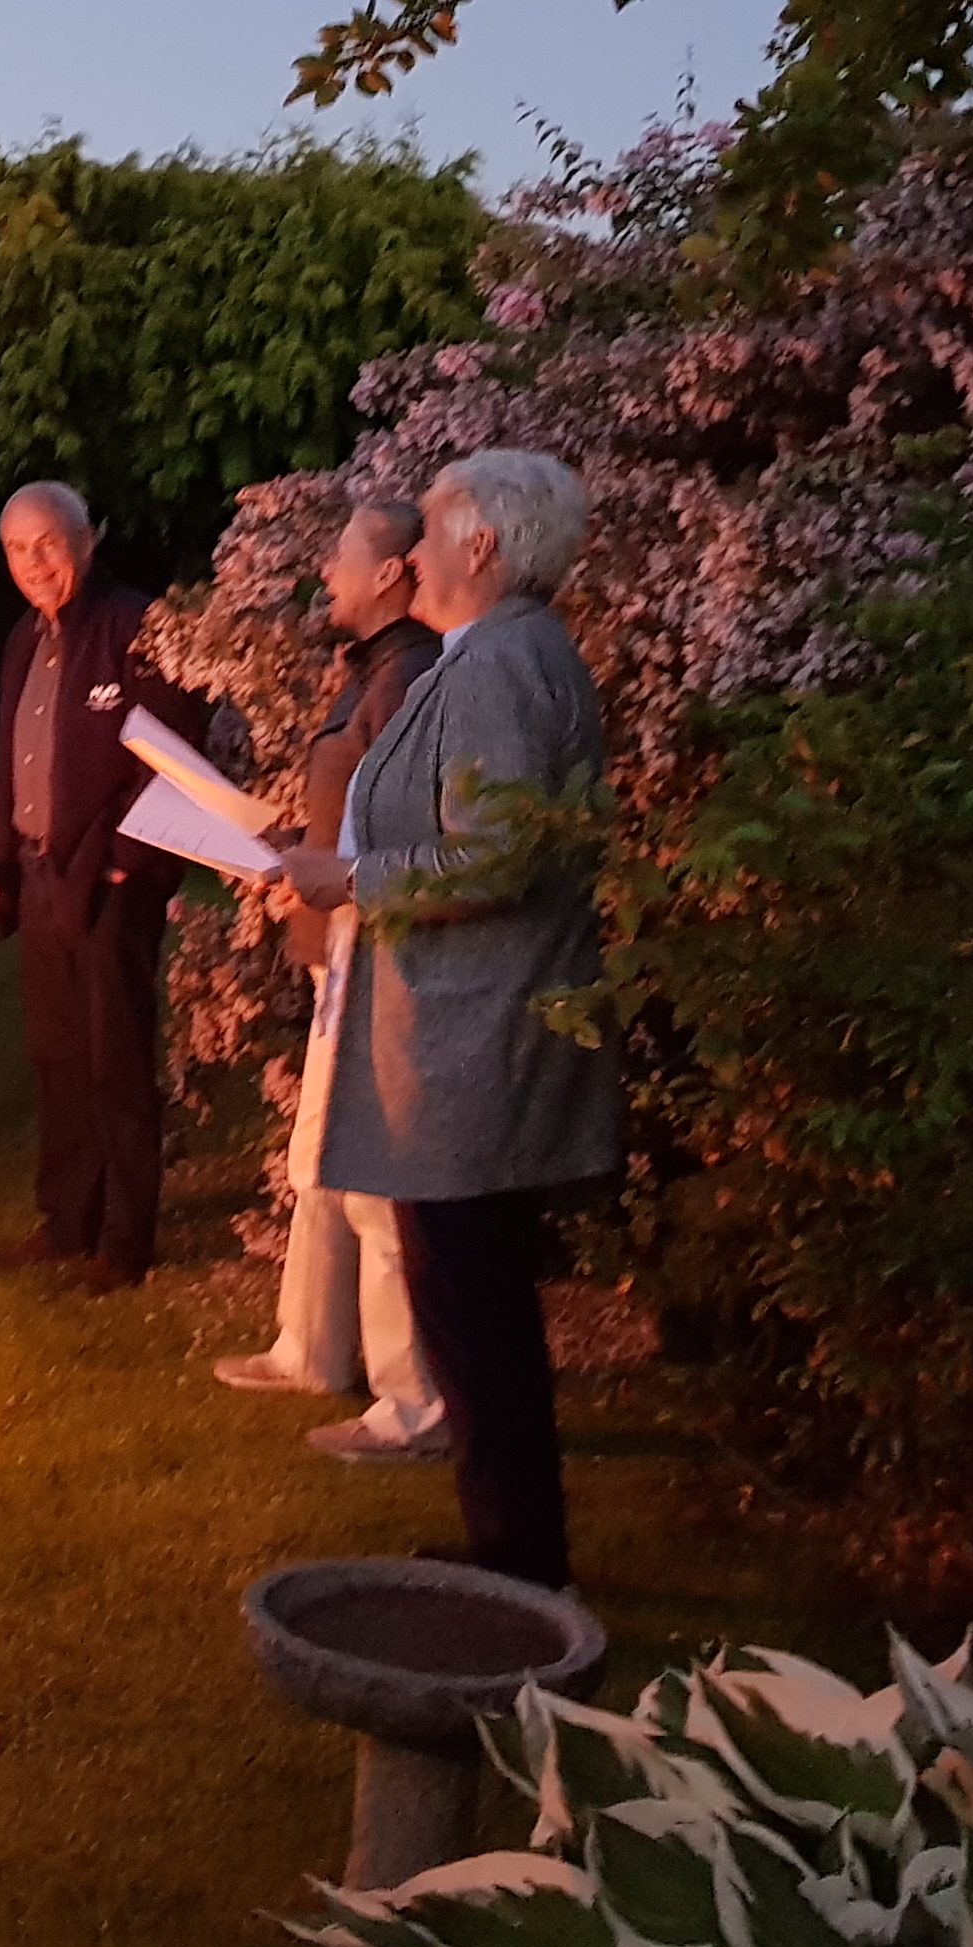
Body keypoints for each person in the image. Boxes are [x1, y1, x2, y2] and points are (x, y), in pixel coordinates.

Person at [279, 450, 617, 1586]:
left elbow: (496, 856)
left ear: (482, 547)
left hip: (471, 1036)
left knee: (474, 1307)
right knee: (477, 1307)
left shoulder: (500, 665)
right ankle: (510, 1548)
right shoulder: (500, 653)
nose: (411, 556)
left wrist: (349, 880)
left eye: (427, 534)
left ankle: (518, 1567)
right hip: (469, 1027)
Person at [0, 482, 204, 1290]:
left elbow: (173, 762)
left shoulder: (136, 628)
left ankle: (125, 1240)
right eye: (17, 548)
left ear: (88, 537)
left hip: (109, 881)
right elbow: (19, 762)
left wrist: (122, 860)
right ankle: (68, 1220)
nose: (34, 562)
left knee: (117, 1060)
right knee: (58, 1058)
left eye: (48, 542)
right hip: (40, 875)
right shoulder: (23, 638)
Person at [218, 496, 455, 1461]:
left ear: (391, 572)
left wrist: (333, 873)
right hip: (345, 938)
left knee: (377, 1174)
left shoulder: (408, 677)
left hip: (383, 948)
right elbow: (356, 812)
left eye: (342, 557)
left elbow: (411, 831)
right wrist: (295, 847)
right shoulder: (371, 670)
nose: (326, 573)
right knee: (319, 1156)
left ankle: (416, 1402)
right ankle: (312, 1346)